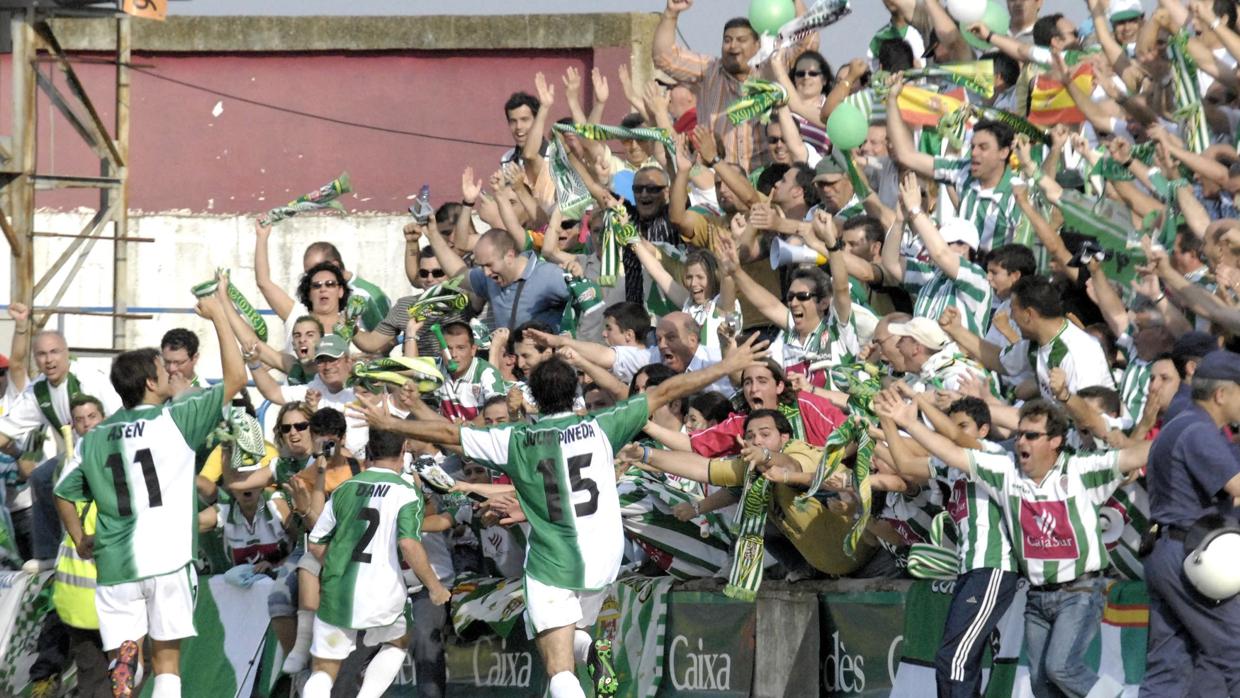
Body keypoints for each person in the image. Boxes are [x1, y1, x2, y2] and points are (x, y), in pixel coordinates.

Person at [351, 333, 769, 698]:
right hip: (604, 558)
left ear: (533, 394)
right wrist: (726, 364)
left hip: (554, 560)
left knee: (558, 668)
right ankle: (594, 651)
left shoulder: (516, 438)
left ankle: (584, 658)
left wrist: (393, 422)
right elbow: (665, 391)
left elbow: (447, 434)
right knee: (574, 636)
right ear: (574, 392)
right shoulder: (601, 424)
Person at [878, 396, 1151, 698]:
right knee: (1040, 684)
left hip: (1080, 590)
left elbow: (1133, 457)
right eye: (1020, 433)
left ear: (1056, 441)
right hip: (1038, 595)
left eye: (1032, 435)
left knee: (1059, 668)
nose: (1022, 441)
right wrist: (906, 423)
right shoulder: (1005, 470)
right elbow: (947, 453)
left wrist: (1188, 432)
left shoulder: (1079, 470)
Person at [53, 292, 245, 698]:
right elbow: (236, 379)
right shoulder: (175, 419)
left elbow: (62, 494)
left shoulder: (95, 437)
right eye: (163, 368)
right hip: (168, 560)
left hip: (115, 565)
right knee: (168, 664)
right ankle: (136, 665)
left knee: (127, 657)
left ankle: (126, 659)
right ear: (151, 383)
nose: (170, 375)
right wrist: (219, 319)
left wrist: (79, 539)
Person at [301, 428, 450, 698]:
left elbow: (316, 543)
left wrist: (338, 565)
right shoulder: (406, 492)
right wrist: (435, 587)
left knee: (323, 669)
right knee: (397, 642)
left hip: (338, 591)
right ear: (403, 450)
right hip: (383, 592)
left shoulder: (345, 488)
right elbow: (408, 544)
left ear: (368, 453)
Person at [1141, 350, 1240, 696]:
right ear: (1222, 394)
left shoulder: (1178, 424)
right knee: (1235, 650)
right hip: (1195, 558)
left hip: (1165, 550)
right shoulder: (1200, 430)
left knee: (1170, 666)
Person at [0, 329, 121, 572]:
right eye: (42, 354)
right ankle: (48, 554)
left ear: (67, 353)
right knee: (41, 476)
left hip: (108, 452)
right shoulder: (38, 391)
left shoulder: (88, 378)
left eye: (54, 352)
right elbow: (5, 431)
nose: (49, 360)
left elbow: (119, 417)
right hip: (75, 457)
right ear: (36, 359)